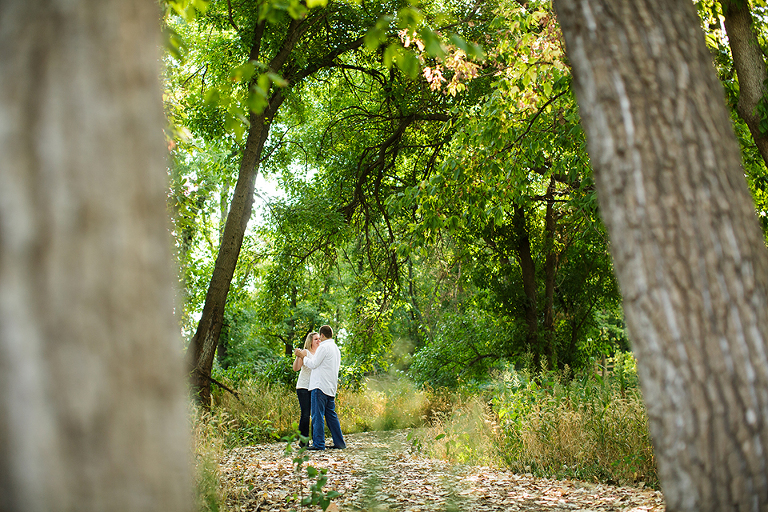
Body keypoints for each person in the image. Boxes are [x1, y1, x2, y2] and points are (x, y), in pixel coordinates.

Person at [294, 324, 346, 450]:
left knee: (317, 416)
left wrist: (302, 357)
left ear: (322, 335)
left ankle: (318, 444)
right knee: (331, 416)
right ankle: (339, 443)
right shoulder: (335, 348)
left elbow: (313, 364)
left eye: (319, 337)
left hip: (319, 386)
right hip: (331, 386)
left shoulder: (324, 347)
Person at [293, 331, 319, 447]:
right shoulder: (305, 352)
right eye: (316, 339)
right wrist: (299, 356)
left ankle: (315, 440)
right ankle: (303, 441)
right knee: (305, 414)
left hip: (314, 386)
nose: (318, 341)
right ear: (310, 341)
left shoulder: (320, 353)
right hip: (303, 386)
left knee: (314, 414)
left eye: (319, 339)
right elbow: (296, 368)